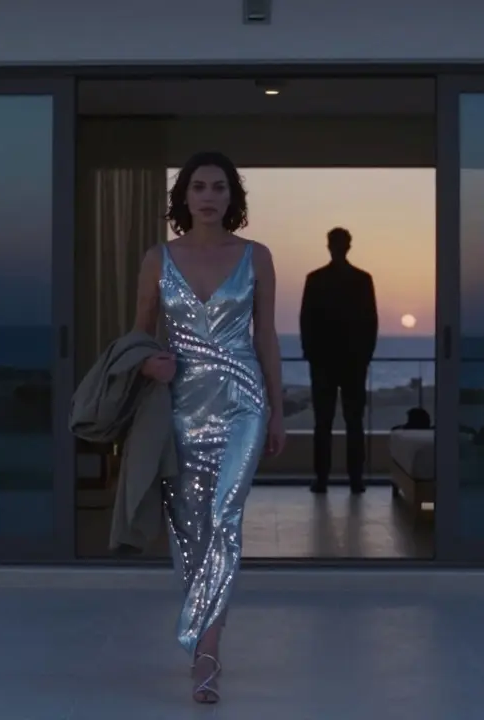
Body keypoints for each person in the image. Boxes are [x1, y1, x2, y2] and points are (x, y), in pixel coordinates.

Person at [132, 151, 286, 704]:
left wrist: (277, 407)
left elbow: (266, 336)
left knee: (224, 520)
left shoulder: (256, 257)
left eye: (219, 187)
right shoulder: (158, 258)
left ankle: (206, 651)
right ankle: (204, 638)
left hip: (243, 401)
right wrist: (152, 365)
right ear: (184, 197)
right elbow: (139, 340)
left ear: (231, 198)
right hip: (179, 407)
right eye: (198, 186)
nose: (209, 196)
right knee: (190, 532)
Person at [300, 227, 378, 494]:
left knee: (324, 423)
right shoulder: (362, 280)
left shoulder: (316, 279)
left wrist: (311, 354)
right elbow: (371, 322)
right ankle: (355, 480)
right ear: (348, 246)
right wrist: (365, 356)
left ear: (329, 246)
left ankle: (322, 479)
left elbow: (306, 321)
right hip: (352, 363)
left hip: (325, 363)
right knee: (352, 422)